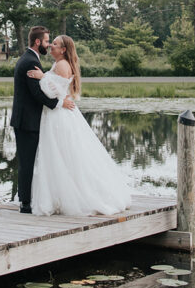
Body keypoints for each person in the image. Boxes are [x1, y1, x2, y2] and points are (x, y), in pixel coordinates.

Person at [27, 35, 131, 216]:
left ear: (64, 49)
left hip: (59, 116)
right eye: (51, 43)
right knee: (61, 155)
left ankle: (74, 196)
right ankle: (60, 194)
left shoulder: (61, 65)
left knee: (62, 154)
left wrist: (41, 76)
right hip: (58, 113)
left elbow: (54, 91)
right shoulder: (61, 63)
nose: (51, 46)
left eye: (55, 44)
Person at [11, 25, 75, 214]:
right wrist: (59, 103)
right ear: (38, 42)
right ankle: (25, 203)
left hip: (29, 120)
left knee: (31, 161)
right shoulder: (30, 62)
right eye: (47, 41)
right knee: (27, 162)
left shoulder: (31, 59)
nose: (49, 45)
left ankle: (28, 199)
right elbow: (38, 93)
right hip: (27, 122)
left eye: (51, 42)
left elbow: (44, 87)